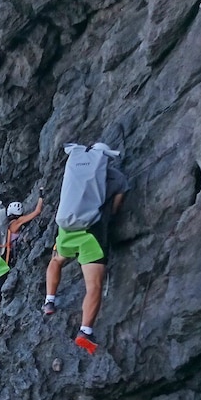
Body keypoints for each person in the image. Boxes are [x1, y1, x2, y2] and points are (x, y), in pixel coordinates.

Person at [42, 142, 130, 354]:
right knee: (94, 285)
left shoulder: (75, 171)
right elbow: (116, 209)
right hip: (92, 231)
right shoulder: (118, 178)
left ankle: (49, 302)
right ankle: (85, 331)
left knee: (56, 260)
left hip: (67, 227)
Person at [0, 194, 44, 323]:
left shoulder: (5, 225)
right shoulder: (16, 223)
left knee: (0, 287)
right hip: (1, 261)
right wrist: (41, 196)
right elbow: (37, 212)